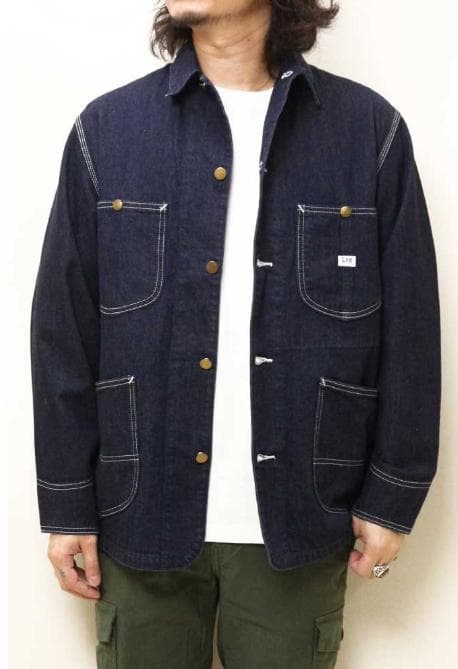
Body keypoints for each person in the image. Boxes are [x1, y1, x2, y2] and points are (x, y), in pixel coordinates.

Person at [29, 1, 441, 667]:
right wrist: (67, 505)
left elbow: (412, 334)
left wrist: (392, 496)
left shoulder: (368, 131)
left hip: (302, 518)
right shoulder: (107, 130)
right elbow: (63, 335)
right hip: (139, 515)